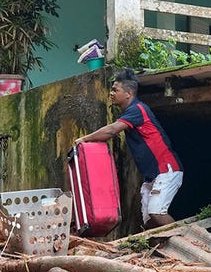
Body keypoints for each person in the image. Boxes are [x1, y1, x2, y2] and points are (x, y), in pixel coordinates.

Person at [75, 68, 183, 229]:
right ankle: (157, 251)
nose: (111, 93)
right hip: (152, 176)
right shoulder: (131, 112)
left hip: (166, 170)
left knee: (157, 213)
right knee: (148, 221)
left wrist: (84, 139)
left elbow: (111, 130)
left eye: (115, 90)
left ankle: (183, 243)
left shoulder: (137, 109)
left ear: (128, 93)